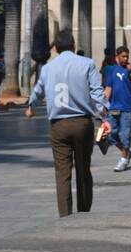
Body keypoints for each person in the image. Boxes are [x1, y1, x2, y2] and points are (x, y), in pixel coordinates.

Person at [26, 30, 111, 217]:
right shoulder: (87, 64)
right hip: (82, 124)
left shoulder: (47, 68)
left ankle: (65, 215)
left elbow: (38, 90)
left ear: (55, 48)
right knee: (83, 169)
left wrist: (31, 106)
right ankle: (84, 210)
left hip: (58, 126)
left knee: (62, 173)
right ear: (73, 45)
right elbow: (97, 93)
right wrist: (105, 118)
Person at [104, 45, 131, 171]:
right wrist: (104, 105)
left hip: (127, 107)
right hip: (114, 107)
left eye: (127, 56)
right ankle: (126, 151)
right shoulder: (112, 70)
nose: (126, 58)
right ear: (117, 57)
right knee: (111, 135)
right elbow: (108, 88)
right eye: (123, 56)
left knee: (126, 134)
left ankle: (124, 159)